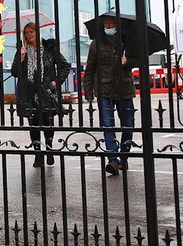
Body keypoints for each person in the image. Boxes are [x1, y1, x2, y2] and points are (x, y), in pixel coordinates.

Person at [82, 14, 140, 176]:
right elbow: (89, 69)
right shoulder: (96, 44)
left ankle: (124, 157)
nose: (108, 26)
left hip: (125, 89)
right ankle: (113, 160)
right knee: (108, 125)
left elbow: (141, 60)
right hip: (104, 90)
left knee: (128, 125)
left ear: (117, 25)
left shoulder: (127, 42)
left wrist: (128, 61)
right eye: (106, 23)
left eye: (111, 23)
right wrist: (88, 92)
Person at [10, 22, 70, 168]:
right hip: (29, 92)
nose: (29, 35)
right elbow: (15, 72)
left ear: (37, 32)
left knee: (48, 122)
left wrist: (55, 83)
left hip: (46, 91)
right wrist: (21, 58)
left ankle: (49, 149)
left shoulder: (49, 48)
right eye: (26, 33)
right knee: (34, 124)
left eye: (31, 32)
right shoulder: (23, 50)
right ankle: (38, 154)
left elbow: (65, 66)